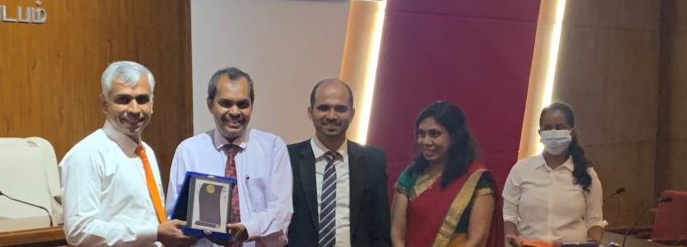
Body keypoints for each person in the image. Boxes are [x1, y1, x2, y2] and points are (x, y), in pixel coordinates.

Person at [60, 61, 194, 246]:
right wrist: (155, 233)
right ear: (104, 104)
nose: (134, 109)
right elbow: (79, 230)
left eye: (142, 99)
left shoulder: (146, 151)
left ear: (152, 104)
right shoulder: (86, 155)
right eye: (123, 100)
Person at [168, 67, 293, 246]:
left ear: (252, 105)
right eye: (226, 103)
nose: (234, 112)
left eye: (242, 104)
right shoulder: (189, 150)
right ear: (210, 105)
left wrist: (247, 230)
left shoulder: (273, 147)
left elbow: (281, 210)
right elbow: (174, 218)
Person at [287, 79, 391, 246]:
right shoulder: (287, 158)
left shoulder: (373, 160)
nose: (331, 116)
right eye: (323, 108)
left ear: (352, 113)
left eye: (340, 109)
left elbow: (381, 228)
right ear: (310, 112)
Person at [391, 101, 504, 247]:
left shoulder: (476, 180)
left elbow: (478, 239)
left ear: (455, 136)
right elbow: (397, 235)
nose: (425, 141)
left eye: (434, 134)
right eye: (421, 134)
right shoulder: (409, 176)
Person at [502, 102, 606, 245]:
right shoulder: (521, 170)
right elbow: (509, 216)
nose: (553, 132)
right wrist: (511, 236)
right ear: (540, 133)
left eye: (560, 127)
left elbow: (595, 221)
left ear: (572, 132)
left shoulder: (586, 173)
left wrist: (592, 242)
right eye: (547, 128)